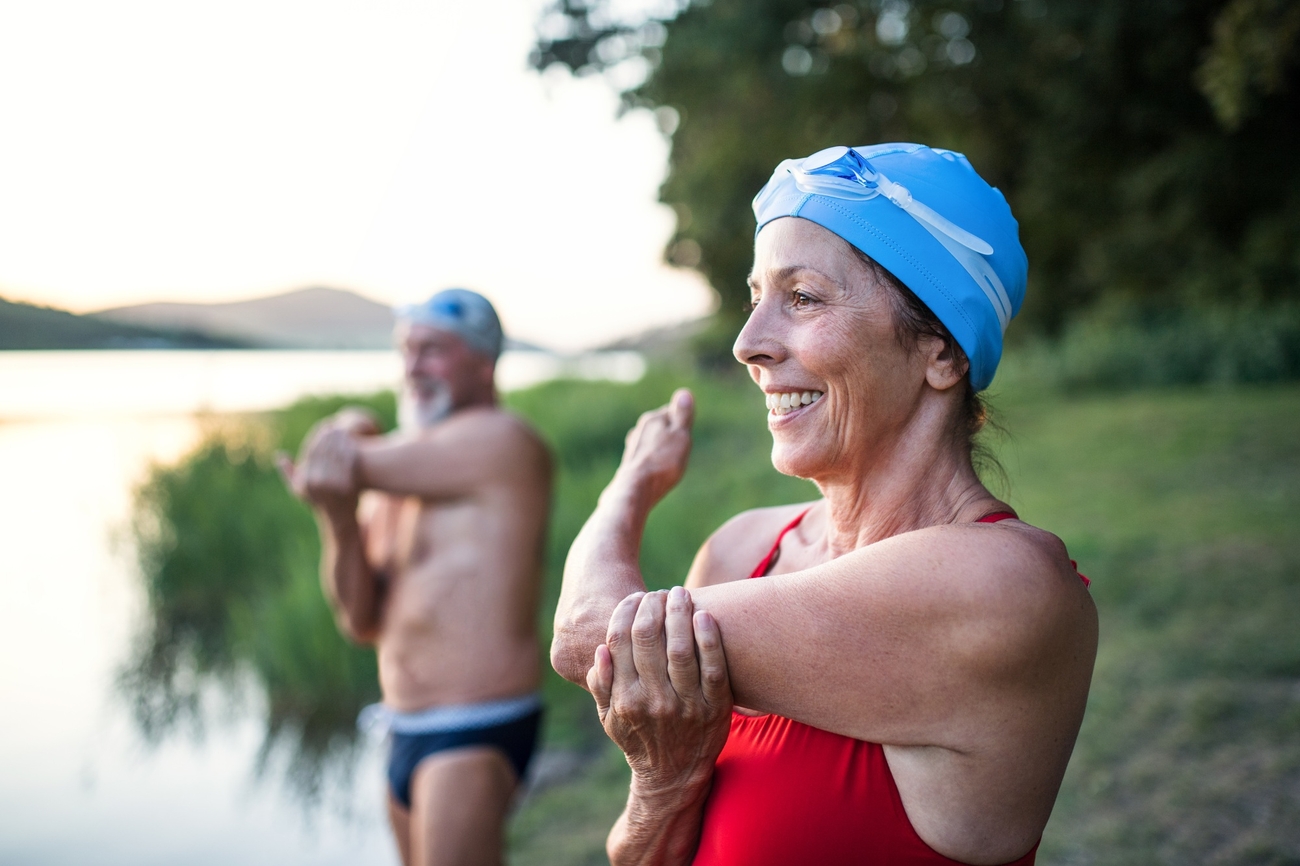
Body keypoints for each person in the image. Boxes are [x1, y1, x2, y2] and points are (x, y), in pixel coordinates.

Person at [551, 144, 1098, 865]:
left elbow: (588, 634)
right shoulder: (741, 550)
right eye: (755, 299)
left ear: (942, 350)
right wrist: (663, 781)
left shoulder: (1007, 587)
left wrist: (626, 491)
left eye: (803, 297)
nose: (749, 344)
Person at [280, 288, 552, 866]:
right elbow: (360, 621)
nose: (412, 365)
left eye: (433, 350)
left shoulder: (503, 441)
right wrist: (337, 518)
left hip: (476, 725)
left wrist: (345, 426)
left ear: (484, 363)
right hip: (401, 726)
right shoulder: (396, 476)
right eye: (406, 350)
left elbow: (337, 460)